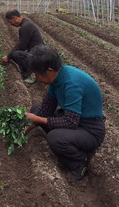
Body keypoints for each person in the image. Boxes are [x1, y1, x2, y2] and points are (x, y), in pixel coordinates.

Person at [24, 45, 105, 181]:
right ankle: (70, 146)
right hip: (77, 121)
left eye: (37, 74)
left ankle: (79, 162)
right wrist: (27, 127)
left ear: (49, 71)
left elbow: (70, 122)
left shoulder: (71, 84)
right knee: (36, 110)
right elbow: (46, 109)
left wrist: (37, 120)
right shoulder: (57, 79)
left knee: (55, 138)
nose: (36, 77)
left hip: (90, 129)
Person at [1, 9, 44, 84]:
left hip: (38, 55)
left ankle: (32, 73)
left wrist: (8, 57)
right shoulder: (26, 24)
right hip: (37, 52)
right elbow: (21, 44)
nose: (10, 24)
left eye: (10, 21)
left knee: (16, 54)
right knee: (15, 54)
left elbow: (21, 46)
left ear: (15, 18)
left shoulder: (26, 27)